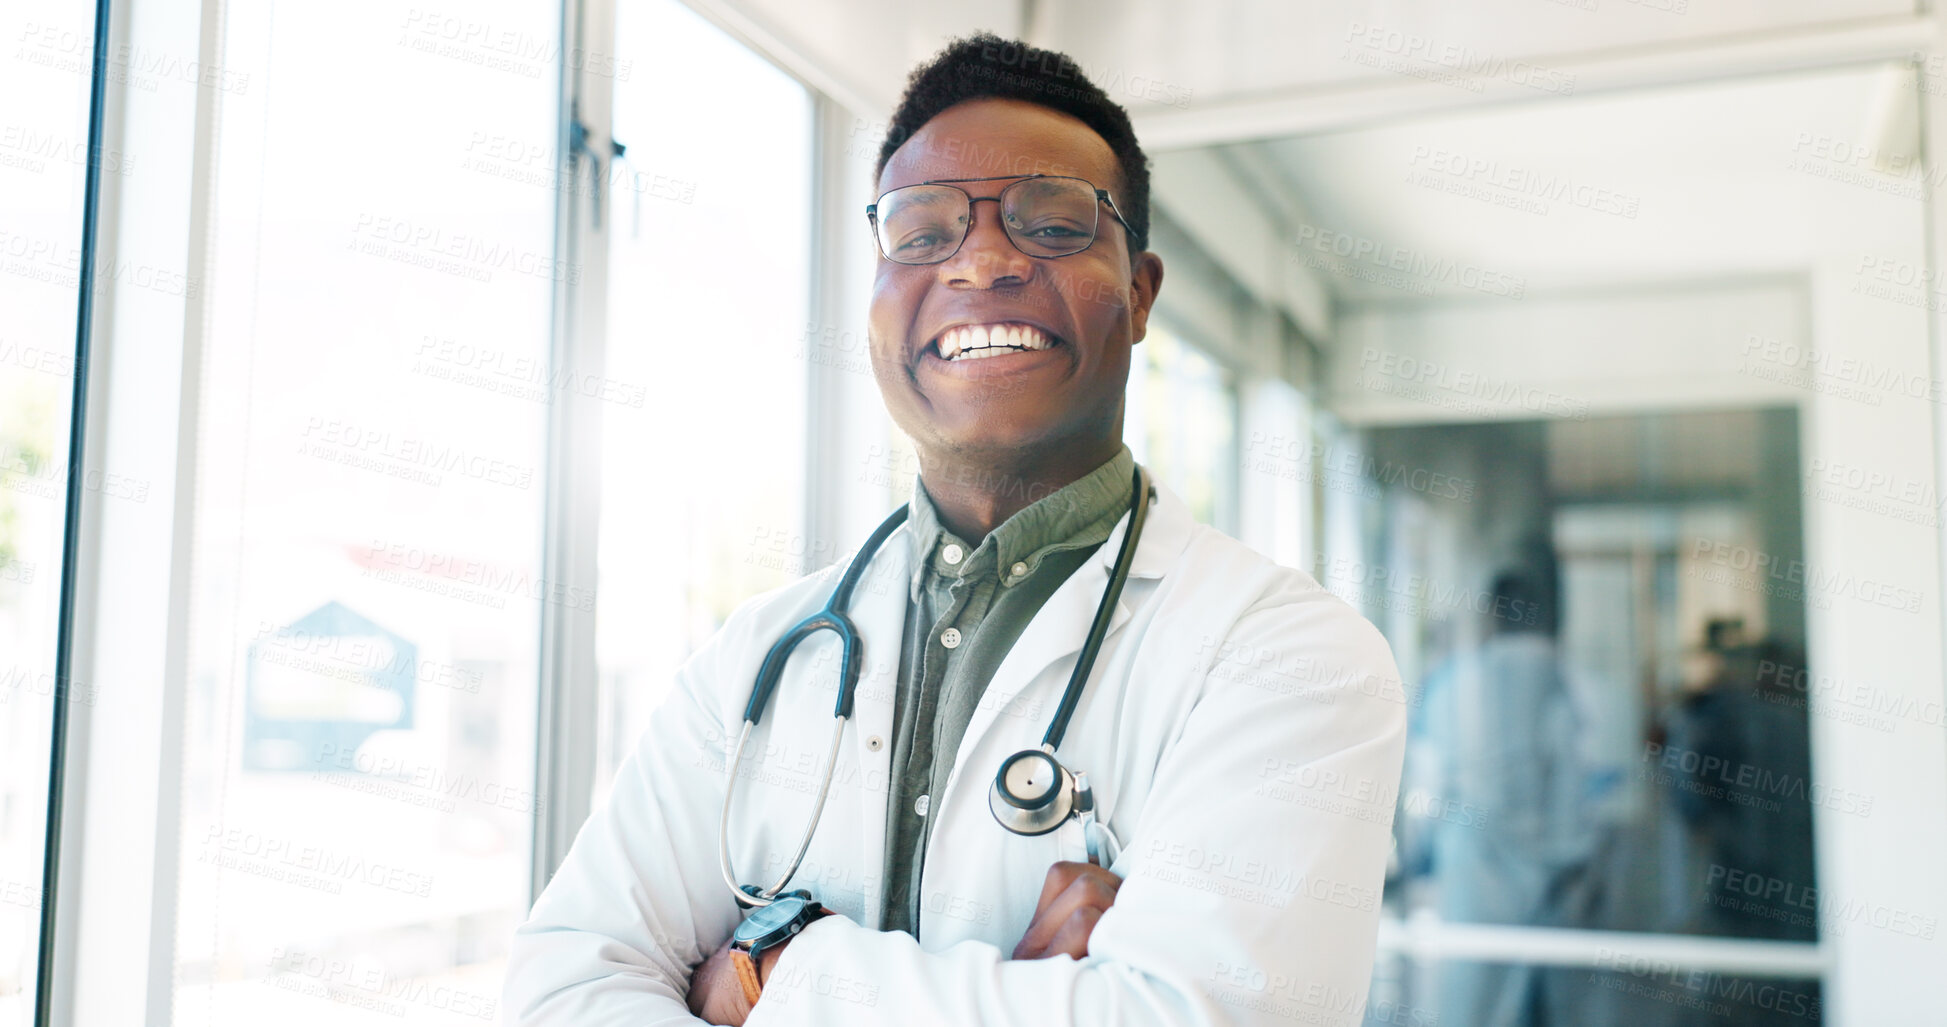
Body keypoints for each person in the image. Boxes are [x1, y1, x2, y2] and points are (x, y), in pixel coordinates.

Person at [503, 32, 1406, 1026]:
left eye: (1054, 223)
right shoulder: (756, 659)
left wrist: (768, 972)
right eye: (922, 230)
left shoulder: (1292, 657)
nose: (979, 260)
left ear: (1141, 294)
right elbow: (561, 988)